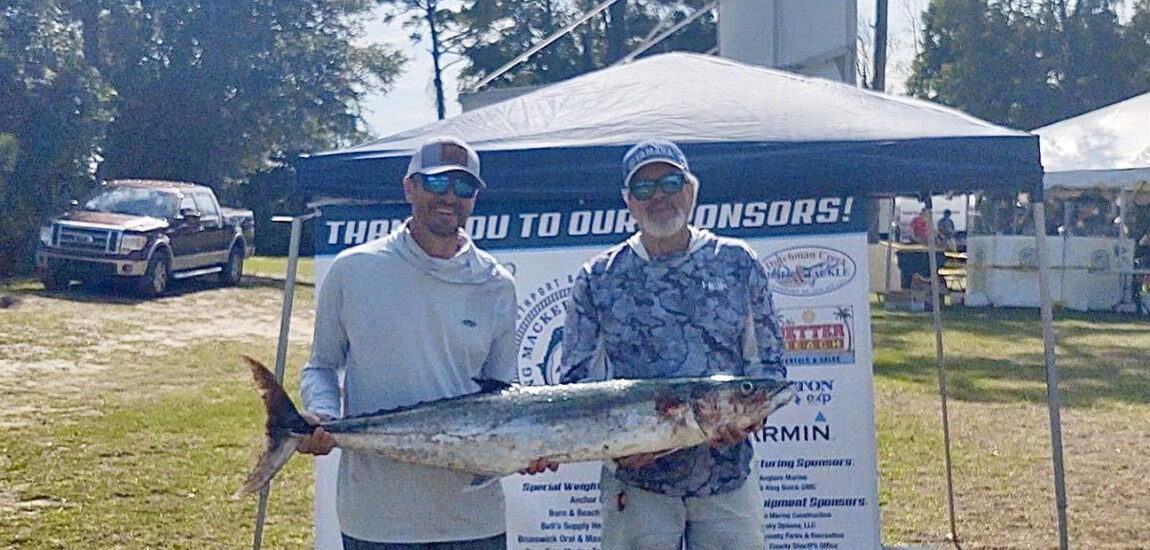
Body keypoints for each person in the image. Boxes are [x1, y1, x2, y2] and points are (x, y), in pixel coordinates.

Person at [295, 136, 525, 550]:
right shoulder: (354, 270)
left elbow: (505, 393)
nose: (449, 198)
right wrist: (323, 415)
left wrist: (530, 448)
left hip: (473, 521)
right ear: (409, 188)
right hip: (377, 522)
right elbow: (322, 365)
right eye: (436, 184)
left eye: (463, 188)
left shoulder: (498, 285)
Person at [557, 139, 787, 550]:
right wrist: (617, 448)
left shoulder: (738, 262)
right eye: (643, 189)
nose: (658, 196)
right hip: (637, 486)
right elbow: (577, 387)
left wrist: (744, 418)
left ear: (692, 190)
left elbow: (767, 367)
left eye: (669, 182)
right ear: (628, 202)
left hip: (726, 481)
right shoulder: (597, 277)